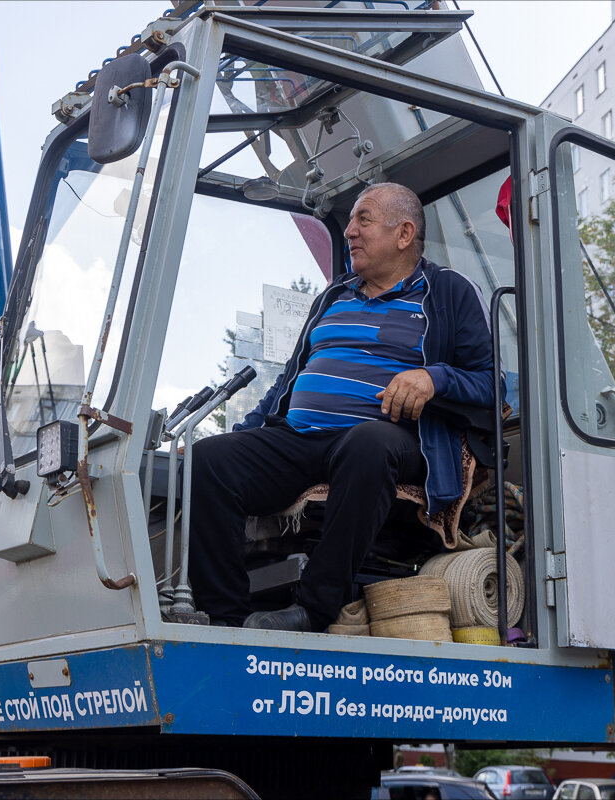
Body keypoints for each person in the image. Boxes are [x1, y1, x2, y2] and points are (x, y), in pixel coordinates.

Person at [189, 182, 494, 631]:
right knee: (208, 460)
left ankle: (314, 609)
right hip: (301, 439)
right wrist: (247, 434)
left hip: (393, 440)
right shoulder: (333, 297)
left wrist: (434, 377)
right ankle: (229, 619)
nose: (349, 230)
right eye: (350, 221)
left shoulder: (446, 292)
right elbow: (288, 381)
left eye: (363, 219)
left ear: (404, 233)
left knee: (366, 443)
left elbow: (490, 384)